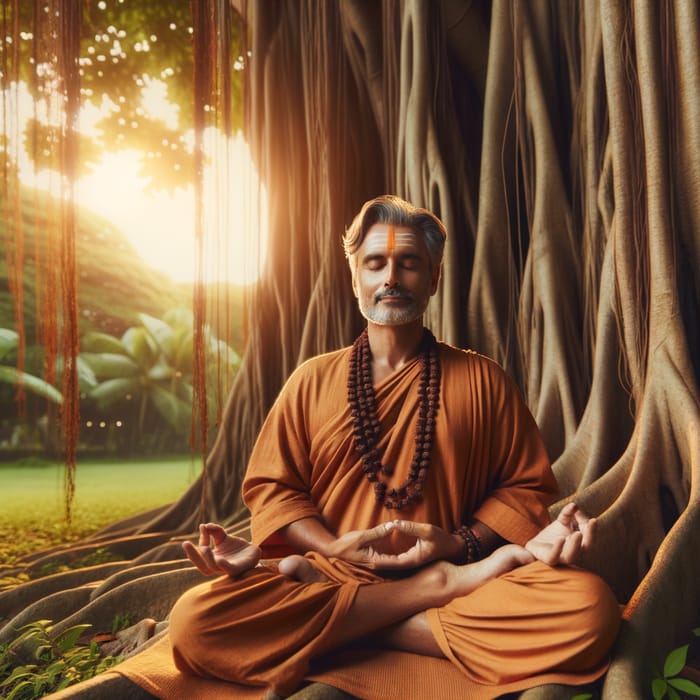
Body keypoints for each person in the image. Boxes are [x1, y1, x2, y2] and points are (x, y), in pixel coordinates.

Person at [131, 195, 620, 699]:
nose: (391, 277)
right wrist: (330, 547)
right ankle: (421, 605)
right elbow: (274, 487)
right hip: (337, 572)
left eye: (408, 263)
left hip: (444, 572)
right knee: (195, 619)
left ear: (432, 279)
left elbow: (523, 485)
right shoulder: (311, 380)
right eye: (375, 263)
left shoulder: (482, 378)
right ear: (355, 279)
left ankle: (356, 626)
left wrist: (456, 548)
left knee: (588, 608)